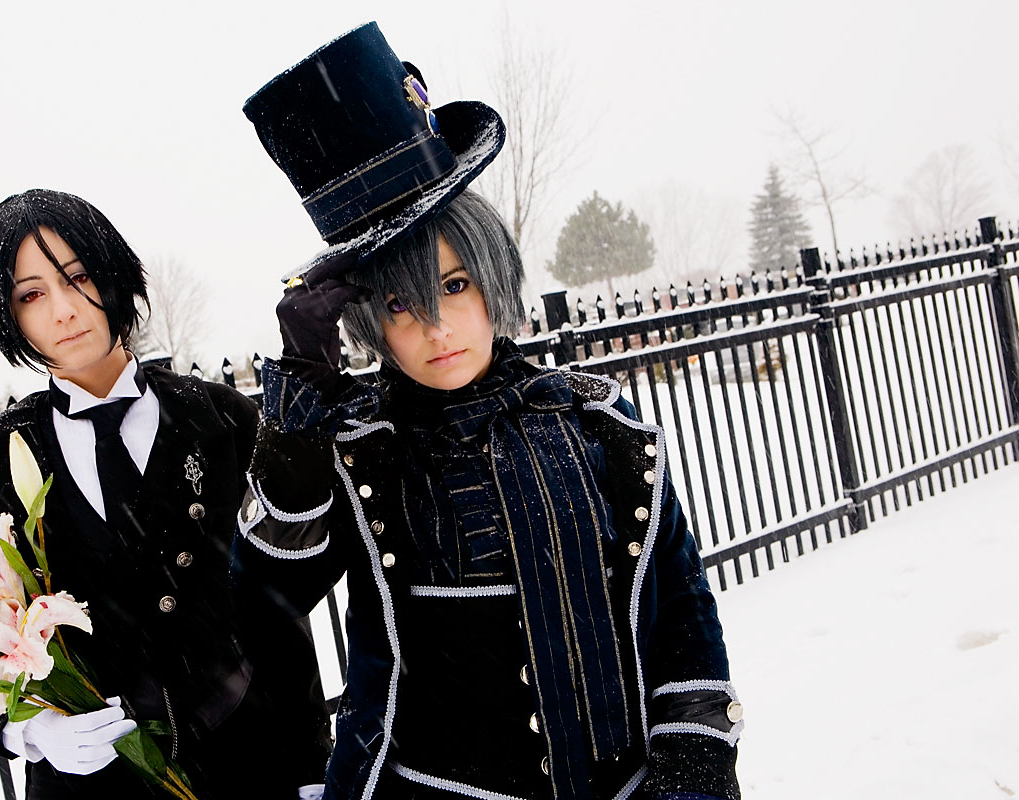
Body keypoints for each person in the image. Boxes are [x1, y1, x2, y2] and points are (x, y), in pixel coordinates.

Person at [234, 23, 742, 800]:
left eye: (455, 285)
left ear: (493, 278)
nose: (436, 326)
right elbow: (268, 598)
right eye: (400, 304)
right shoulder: (359, 450)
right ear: (369, 322)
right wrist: (298, 408)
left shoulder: (602, 423)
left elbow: (681, 613)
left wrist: (692, 773)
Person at [0, 188, 331, 799]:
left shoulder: (223, 421)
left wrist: (309, 767)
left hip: (246, 767)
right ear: (8, 316)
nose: (64, 310)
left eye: (78, 277)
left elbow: (279, 610)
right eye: (31, 295)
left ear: (115, 274)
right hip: (93, 786)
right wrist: (31, 730)